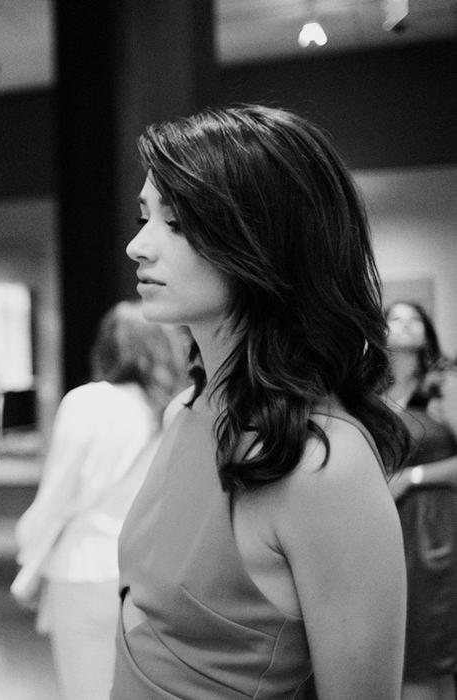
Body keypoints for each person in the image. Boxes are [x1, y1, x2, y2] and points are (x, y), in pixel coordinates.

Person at [110, 104, 409, 700]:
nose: (137, 247)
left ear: (263, 239)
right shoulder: (186, 412)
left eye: (177, 223)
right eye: (146, 217)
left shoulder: (325, 465)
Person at [12, 301, 186, 700]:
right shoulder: (174, 408)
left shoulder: (86, 402)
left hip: (83, 568)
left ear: (106, 347)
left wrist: (28, 542)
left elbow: (58, 493)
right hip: (152, 574)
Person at [385, 300, 457, 700]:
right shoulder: (369, 394)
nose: (406, 324)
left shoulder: (443, 385)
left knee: (429, 648)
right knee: (395, 648)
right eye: (396, 318)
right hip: (386, 530)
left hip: (432, 529)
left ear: (427, 333)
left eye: (415, 319)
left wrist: (411, 478)